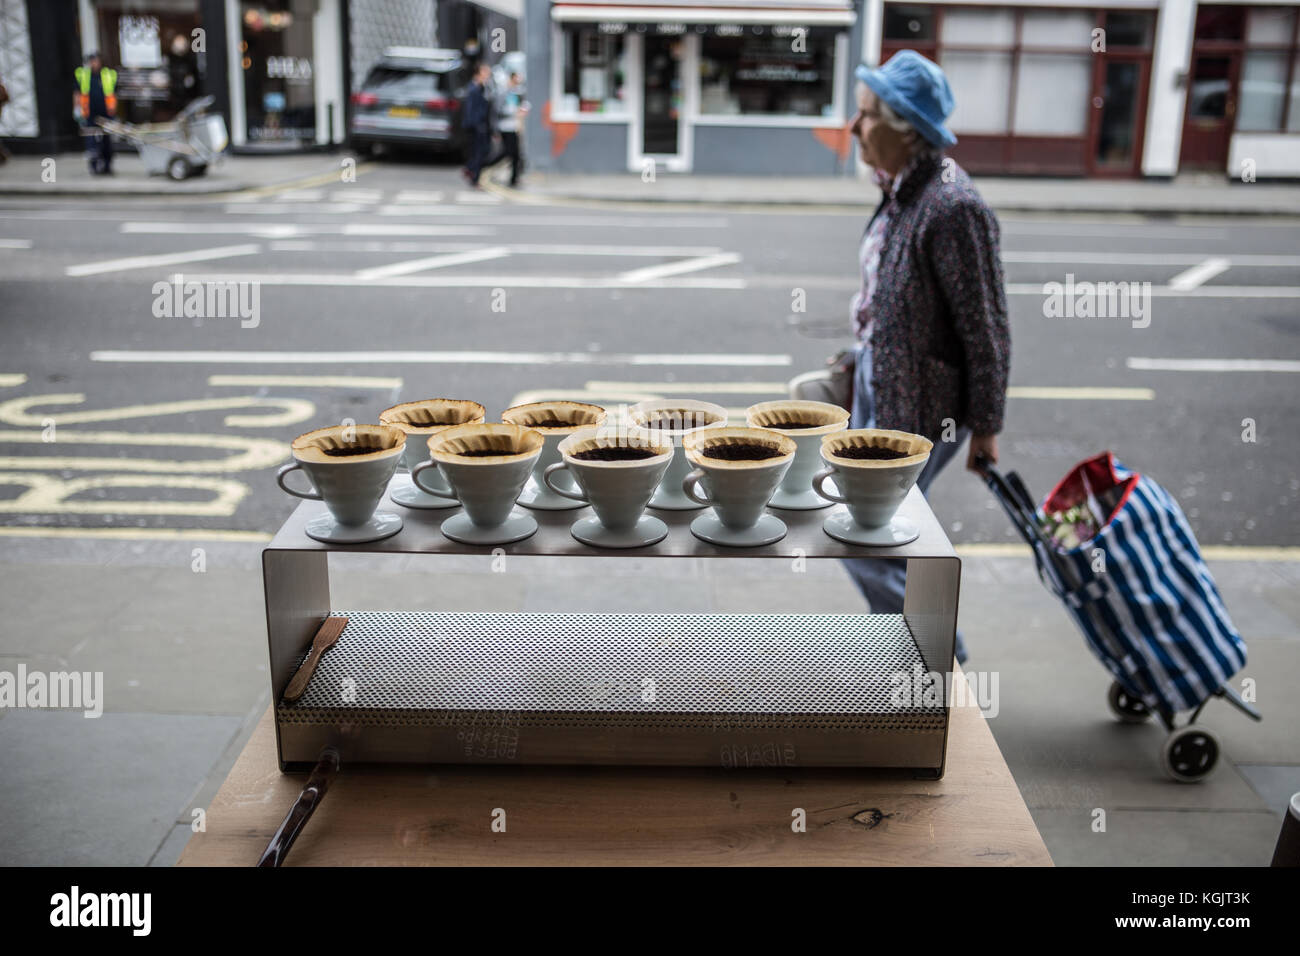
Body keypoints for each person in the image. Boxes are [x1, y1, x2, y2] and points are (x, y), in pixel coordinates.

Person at [841, 51, 1011, 666]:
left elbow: (986, 327)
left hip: (920, 405)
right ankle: (909, 642)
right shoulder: (902, 191)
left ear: (906, 128)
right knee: (880, 527)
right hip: (879, 382)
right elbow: (887, 293)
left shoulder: (953, 207)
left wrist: (987, 428)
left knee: (867, 534)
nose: (853, 129)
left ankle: (939, 654)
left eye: (864, 118)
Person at [74, 52, 117, 175]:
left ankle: (107, 166)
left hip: (106, 113)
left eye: (96, 61)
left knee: (107, 140)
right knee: (91, 141)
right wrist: (77, 109)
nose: (95, 64)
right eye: (92, 61)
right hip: (90, 114)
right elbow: (77, 93)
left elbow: (113, 94)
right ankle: (94, 167)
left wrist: (114, 110)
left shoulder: (108, 74)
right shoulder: (83, 75)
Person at [486, 72, 528, 187]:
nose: (516, 83)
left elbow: (523, 105)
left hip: (514, 126)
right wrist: (495, 130)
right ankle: (485, 165)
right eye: (515, 81)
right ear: (510, 80)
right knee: (507, 152)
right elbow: (496, 111)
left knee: (515, 154)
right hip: (505, 127)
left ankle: (514, 179)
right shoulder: (503, 92)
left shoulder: (517, 93)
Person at [460, 63, 493, 188]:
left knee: (480, 151)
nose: (488, 75)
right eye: (486, 72)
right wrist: (476, 125)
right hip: (477, 125)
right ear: (478, 73)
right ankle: (475, 177)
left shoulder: (481, 87)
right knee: (479, 152)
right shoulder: (474, 88)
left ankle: (470, 168)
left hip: (481, 125)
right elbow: (470, 109)